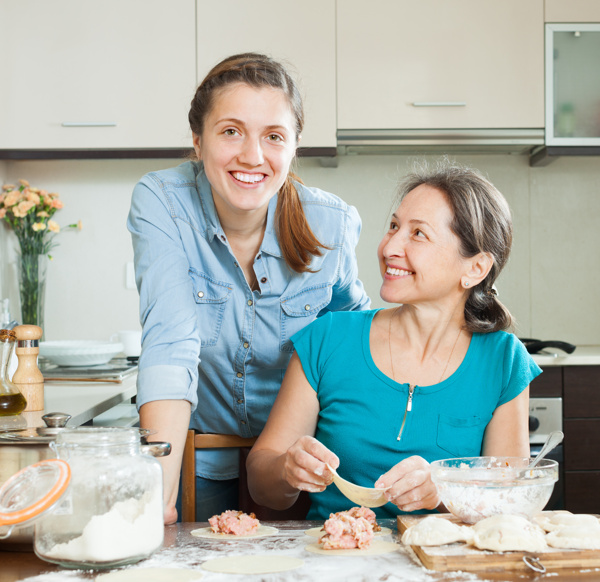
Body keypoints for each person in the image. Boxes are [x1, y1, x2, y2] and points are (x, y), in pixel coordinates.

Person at [127, 53, 370, 524]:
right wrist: (156, 503)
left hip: (304, 465)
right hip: (199, 458)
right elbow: (170, 346)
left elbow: (355, 343)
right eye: (231, 131)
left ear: (295, 146)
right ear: (198, 141)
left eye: (273, 136)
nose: (253, 156)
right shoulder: (162, 203)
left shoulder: (331, 223)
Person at [246, 160, 541, 520]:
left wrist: (444, 490)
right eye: (393, 226)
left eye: (418, 234)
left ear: (475, 268)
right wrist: (286, 471)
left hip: (443, 568)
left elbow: (509, 504)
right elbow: (262, 484)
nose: (389, 248)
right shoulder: (328, 338)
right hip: (335, 563)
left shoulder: (503, 360)